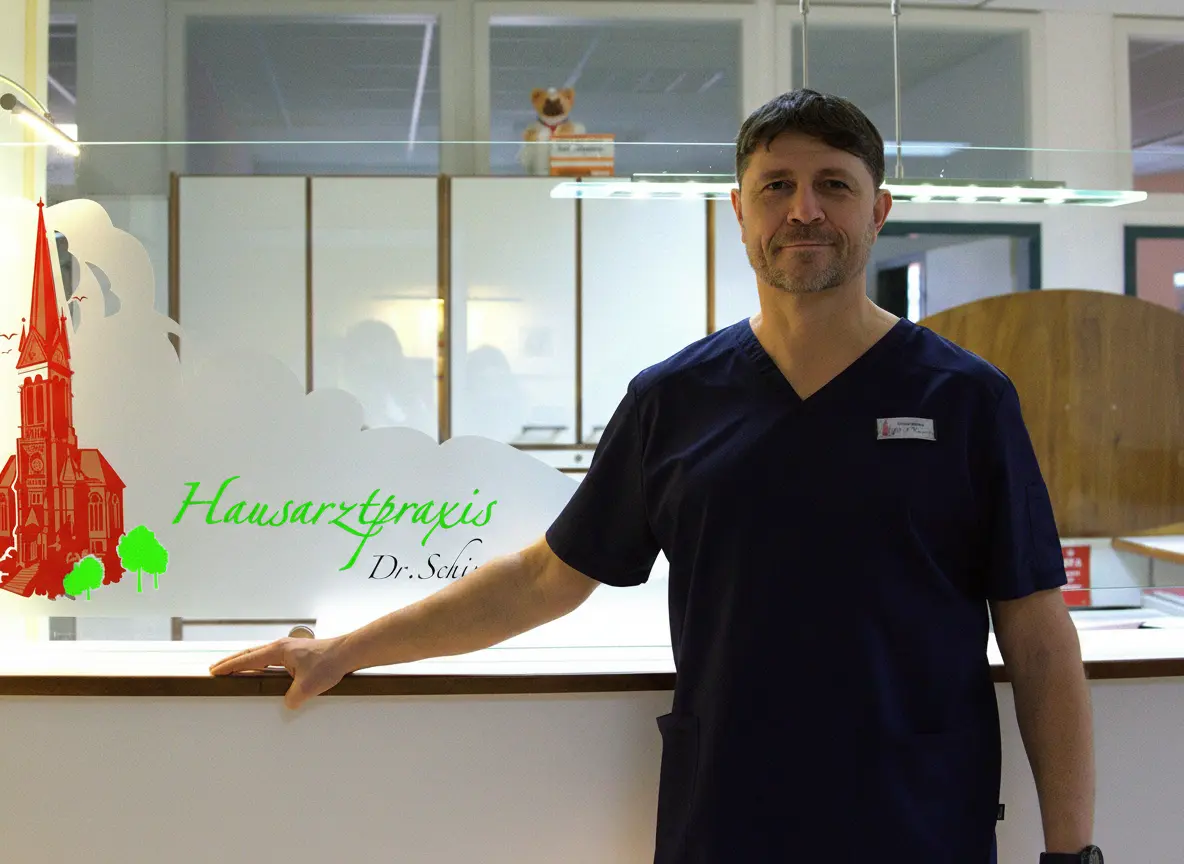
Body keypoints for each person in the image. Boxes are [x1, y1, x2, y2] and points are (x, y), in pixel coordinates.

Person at [211, 90, 1099, 864]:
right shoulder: (675, 399)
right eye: (776, 187)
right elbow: (545, 577)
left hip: (919, 817)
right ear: (739, 211)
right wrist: (347, 648)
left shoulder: (966, 399)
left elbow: (1036, 634)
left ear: (879, 211)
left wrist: (1072, 852)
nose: (804, 210)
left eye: (834, 184)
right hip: (731, 816)